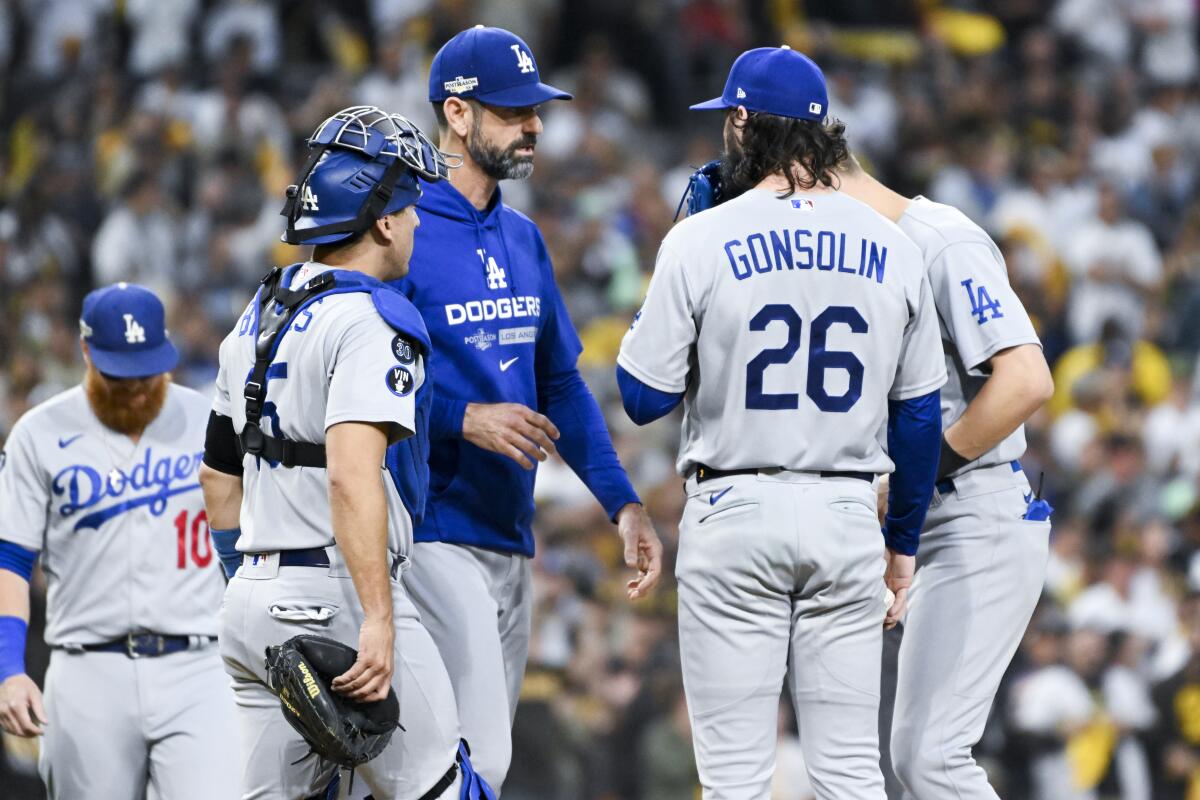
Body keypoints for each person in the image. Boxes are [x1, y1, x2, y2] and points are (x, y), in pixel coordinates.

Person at [617, 46, 946, 799]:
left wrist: (676, 261)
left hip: (734, 507)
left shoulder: (703, 236)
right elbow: (921, 417)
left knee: (734, 781)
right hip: (846, 512)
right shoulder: (893, 246)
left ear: (741, 121)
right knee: (850, 775)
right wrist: (902, 549)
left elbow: (641, 396)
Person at [391, 25, 664, 792]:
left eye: (534, 109)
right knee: (465, 762)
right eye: (512, 111)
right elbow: (350, 375)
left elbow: (562, 386)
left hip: (510, 536)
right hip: (427, 528)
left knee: (471, 769)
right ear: (456, 113)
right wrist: (460, 417)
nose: (534, 124)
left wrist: (622, 503)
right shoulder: (400, 231)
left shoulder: (523, 236)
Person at [199, 105, 492, 799]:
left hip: (250, 601)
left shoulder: (256, 315)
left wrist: (254, 580)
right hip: (334, 593)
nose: (418, 222)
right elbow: (353, 477)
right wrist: (378, 617)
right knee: (444, 789)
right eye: (412, 209)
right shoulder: (371, 320)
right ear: (383, 220)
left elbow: (217, 476)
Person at [837, 157, 1055, 800]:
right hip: (907, 522)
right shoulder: (849, 256)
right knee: (894, 755)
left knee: (931, 758)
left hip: (973, 514)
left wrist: (908, 484)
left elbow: (1026, 382)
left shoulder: (940, 240)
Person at [0, 282, 237, 799]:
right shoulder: (38, 433)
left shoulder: (207, 419)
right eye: (119, 373)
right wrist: (8, 669)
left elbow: (244, 543)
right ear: (87, 352)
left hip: (199, 664)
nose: (134, 388)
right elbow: (10, 560)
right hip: (88, 668)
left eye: (146, 371)